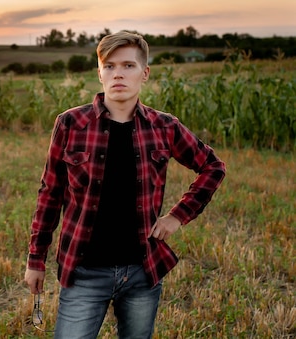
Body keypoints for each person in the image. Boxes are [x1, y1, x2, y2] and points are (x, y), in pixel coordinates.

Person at [23, 30, 226, 338]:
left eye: (128, 66)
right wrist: (36, 259)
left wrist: (177, 216)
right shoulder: (70, 124)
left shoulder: (164, 127)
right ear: (99, 72)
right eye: (110, 65)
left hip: (142, 271)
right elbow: (50, 194)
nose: (118, 73)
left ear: (144, 73)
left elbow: (212, 167)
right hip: (83, 271)